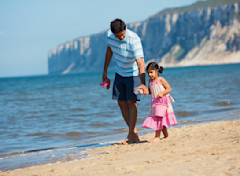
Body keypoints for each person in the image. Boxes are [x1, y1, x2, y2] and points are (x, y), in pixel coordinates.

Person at [102, 18, 149, 144]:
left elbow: (140, 62)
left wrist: (143, 83)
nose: (121, 38)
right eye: (118, 36)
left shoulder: (134, 39)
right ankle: (133, 133)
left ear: (125, 28)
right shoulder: (109, 36)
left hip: (133, 73)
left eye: (122, 35)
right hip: (119, 72)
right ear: (113, 34)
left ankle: (131, 135)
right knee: (121, 103)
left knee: (131, 102)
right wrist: (105, 71)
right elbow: (109, 52)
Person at [142, 62, 177, 143]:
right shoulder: (150, 82)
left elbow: (169, 89)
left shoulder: (161, 80)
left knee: (159, 118)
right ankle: (166, 136)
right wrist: (143, 92)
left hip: (163, 102)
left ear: (157, 71)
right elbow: (151, 92)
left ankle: (157, 137)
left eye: (151, 72)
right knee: (160, 118)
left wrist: (162, 93)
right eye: (148, 73)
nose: (150, 75)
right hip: (155, 103)